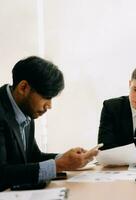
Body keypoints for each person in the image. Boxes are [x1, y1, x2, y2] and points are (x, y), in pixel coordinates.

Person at [0, 56, 98, 191]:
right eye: (46, 97)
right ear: (23, 87)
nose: (49, 106)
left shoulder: (25, 109)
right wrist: (59, 165)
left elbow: (33, 157)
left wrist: (67, 159)